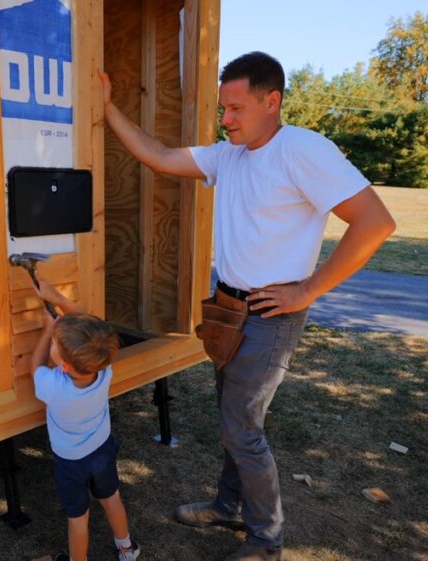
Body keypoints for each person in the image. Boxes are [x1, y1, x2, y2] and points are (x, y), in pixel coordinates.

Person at [98, 51, 396, 561]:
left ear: (271, 101)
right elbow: (161, 156)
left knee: (242, 427)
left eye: (235, 108)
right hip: (228, 311)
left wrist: (307, 290)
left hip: (271, 315)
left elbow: (375, 222)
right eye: (223, 108)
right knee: (234, 420)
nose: (226, 118)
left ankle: (266, 541)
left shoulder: (303, 150)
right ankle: (229, 505)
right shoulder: (228, 155)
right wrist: (107, 109)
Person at [31, 279, 140, 561]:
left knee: (78, 519)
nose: (53, 342)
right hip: (102, 450)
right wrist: (57, 299)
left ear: (64, 365)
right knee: (111, 498)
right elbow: (93, 330)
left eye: (55, 345)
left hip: (70, 462)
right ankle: (126, 550)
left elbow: (35, 367)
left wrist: (46, 332)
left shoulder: (54, 387)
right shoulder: (103, 370)